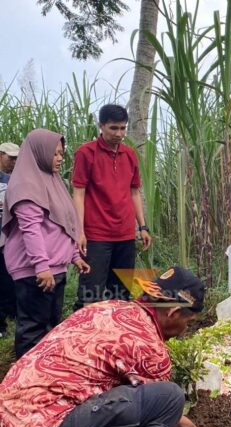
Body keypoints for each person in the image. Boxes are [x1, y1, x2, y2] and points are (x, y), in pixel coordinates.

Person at [0, 266, 231, 427]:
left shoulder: (105, 307)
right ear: (173, 312)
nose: (185, 329)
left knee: (62, 381)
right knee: (169, 396)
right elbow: (171, 419)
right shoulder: (150, 348)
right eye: (188, 321)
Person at [0, 129, 90, 358]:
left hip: (54, 269)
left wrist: (74, 257)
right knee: (32, 330)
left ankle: (45, 377)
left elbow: (62, 225)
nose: (60, 158)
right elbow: (31, 230)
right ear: (40, 153)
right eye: (56, 154)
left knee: (50, 327)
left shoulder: (52, 181)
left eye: (61, 153)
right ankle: (25, 384)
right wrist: (41, 266)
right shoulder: (26, 186)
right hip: (36, 272)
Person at [72, 104, 152, 309]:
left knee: (121, 294)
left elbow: (134, 192)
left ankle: (116, 337)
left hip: (125, 234)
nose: (119, 134)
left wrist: (142, 227)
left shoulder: (129, 154)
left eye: (123, 128)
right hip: (96, 235)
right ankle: (87, 336)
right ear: (101, 126)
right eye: (114, 128)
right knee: (91, 293)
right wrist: (79, 231)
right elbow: (78, 193)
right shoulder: (86, 153)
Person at [0, 141, 19, 338]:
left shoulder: (15, 180)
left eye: (17, 159)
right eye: (10, 157)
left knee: (9, 280)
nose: (14, 162)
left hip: (10, 241)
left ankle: (12, 317)